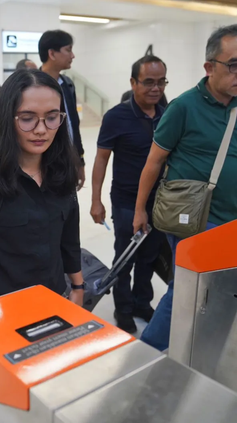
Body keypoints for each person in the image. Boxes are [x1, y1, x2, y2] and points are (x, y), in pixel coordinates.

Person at [133, 24, 237, 351]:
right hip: (192, 217)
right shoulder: (184, 107)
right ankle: (147, 355)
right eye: (233, 65)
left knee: (221, 289)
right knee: (188, 288)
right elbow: (153, 162)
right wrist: (139, 209)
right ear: (209, 67)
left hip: (231, 219)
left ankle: (205, 352)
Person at [0, 69, 85, 305]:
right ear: (7, 119)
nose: (41, 129)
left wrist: (78, 286)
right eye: (28, 118)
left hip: (54, 297)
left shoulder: (62, 171)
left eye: (51, 117)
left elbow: (69, 239)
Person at [91, 55, 168, 333]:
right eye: (148, 82)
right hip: (125, 200)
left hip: (159, 202)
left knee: (149, 255)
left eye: (161, 82)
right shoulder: (116, 116)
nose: (155, 89)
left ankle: (141, 303)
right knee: (125, 257)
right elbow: (101, 160)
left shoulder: (167, 114)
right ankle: (123, 308)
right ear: (133, 83)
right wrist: (96, 200)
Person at [39, 30, 85, 190]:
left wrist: (79, 161)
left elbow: (73, 125)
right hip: (43, 163)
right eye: (68, 50)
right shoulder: (32, 85)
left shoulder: (67, 84)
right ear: (52, 53)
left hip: (68, 160)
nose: (72, 55)